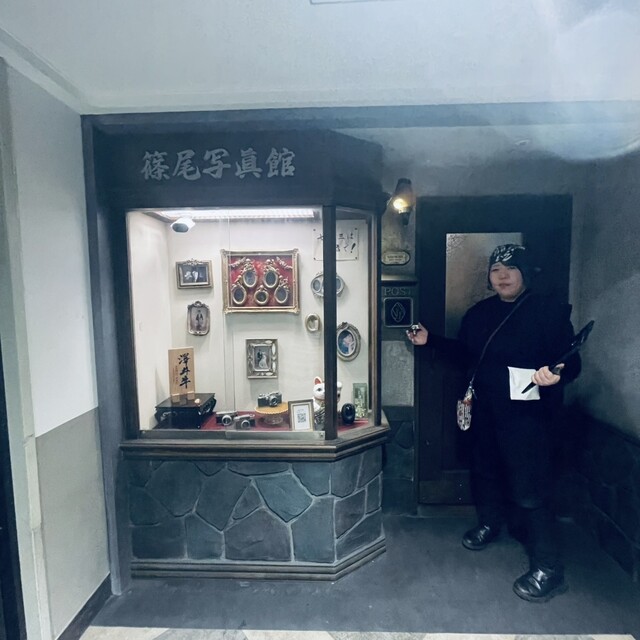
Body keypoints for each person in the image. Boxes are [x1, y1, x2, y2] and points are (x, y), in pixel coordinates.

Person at [407, 244, 581, 603]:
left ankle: (548, 567)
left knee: (530, 484)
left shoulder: (547, 311)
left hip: (527, 417)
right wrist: (429, 341)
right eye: (496, 269)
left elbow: (571, 361)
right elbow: (465, 354)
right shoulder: (479, 314)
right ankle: (489, 523)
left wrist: (558, 373)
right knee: (484, 469)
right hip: (485, 410)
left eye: (510, 268)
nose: (502, 276)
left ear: (525, 272)